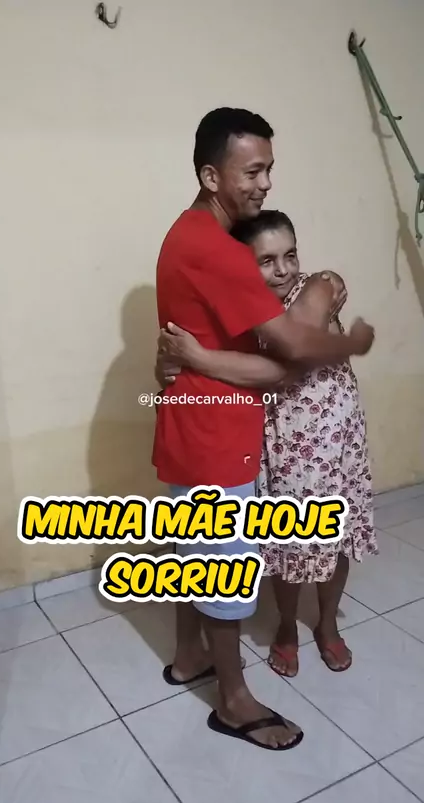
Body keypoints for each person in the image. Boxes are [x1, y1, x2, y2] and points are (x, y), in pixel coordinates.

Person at [153, 107, 375, 750]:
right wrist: (327, 305)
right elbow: (291, 356)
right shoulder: (217, 251)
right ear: (211, 175)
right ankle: (233, 700)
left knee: (193, 557)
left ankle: (189, 657)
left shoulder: (185, 232)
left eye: (269, 169)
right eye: (252, 171)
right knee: (220, 572)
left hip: (193, 423)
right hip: (216, 434)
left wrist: (321, 288)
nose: (265, 183)